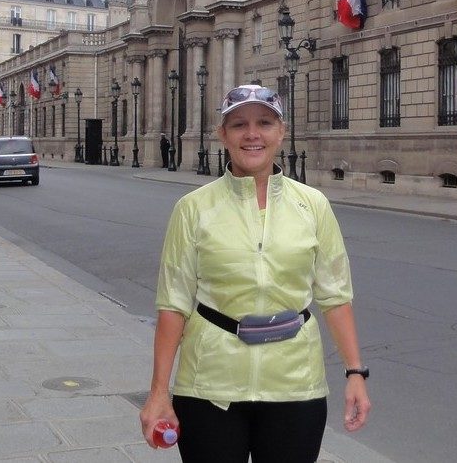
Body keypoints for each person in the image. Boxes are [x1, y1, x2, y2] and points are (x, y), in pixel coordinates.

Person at [140, 84, 370, 462]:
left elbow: (335, 294)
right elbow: (173, 303)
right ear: (222, 135)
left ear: (281, 132)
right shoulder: (193, 208)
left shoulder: (312, 205)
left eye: (264, 122)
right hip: (209, 384)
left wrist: (355, 373)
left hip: (295, 385)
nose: (252, 134)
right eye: (238, 125)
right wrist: (158, 392)